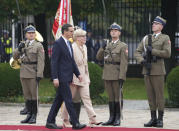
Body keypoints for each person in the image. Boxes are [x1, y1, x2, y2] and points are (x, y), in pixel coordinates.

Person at [45, 24, 86, 130]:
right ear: (65, 32)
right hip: (61, 77)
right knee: (68, 100)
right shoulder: (58, 43)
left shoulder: (68, 43)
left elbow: (71, 61)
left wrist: (78, 74)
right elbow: (54, 62)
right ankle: (76, 123)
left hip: (67, 77)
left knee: (58, 100)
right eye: (71, 31)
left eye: (73, 31)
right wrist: (55, 77)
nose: (73, 33)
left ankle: (50, 121)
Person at [134, 16, 171, 128]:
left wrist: (153, 51)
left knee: (159, 95)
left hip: (158, 70)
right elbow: (137, 52)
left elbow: (167, 53)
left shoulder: (165, 38)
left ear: (161, 26)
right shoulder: (146, 38)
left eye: (156, 23)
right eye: (153, 23)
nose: (153, 25)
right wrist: (142, 61)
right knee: (150, 96)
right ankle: (153, 118)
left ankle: (160, 119)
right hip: (147, 69)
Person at [61, 28, 101, 128]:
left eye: (85, 36)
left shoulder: (85, 47)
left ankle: (93, 118)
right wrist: (72, 79)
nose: (85, 38)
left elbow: (85, 65)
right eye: (83, 36)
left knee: (87, 98)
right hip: (74, 78)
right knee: (69, 99)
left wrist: (88, 78)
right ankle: (65, 119)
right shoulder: (72, 47)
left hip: (84, 78)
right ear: (77, 38)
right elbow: (70, 65)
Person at [96, 23, 128, 126]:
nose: (113, 32)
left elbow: (124, 62)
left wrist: (122, 76)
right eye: (112, 30)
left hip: (116, 73)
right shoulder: (107, 44)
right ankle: (111, 117)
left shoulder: (123, 46)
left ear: (119, 33)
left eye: (115, 30)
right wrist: (102, 47)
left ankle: (117, 118)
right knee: (110, 97)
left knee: (117, 97)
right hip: (107, 73)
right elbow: (98, 57)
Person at [13, 25, 45, 124]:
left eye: (32, 33)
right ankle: (29, 114)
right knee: (27, 95)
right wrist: (18, 49)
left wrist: (39, 74)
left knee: (33, 95)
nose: (31, 34)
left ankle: (34, 115)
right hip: (23, 72)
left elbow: (41, 61)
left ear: (35, 34)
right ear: (26, 34)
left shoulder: (38, 45)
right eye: (29, 33)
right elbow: (14, 57)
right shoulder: (23, 44)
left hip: (33, 72)